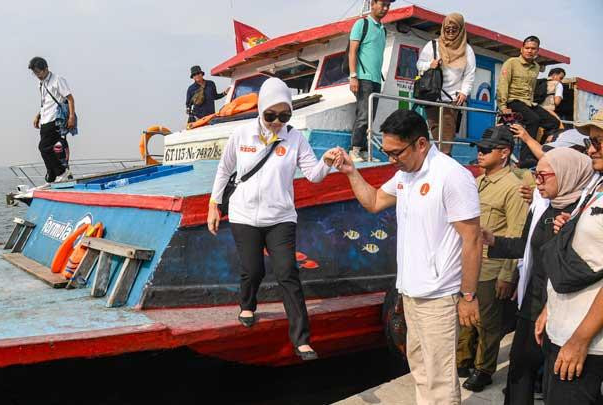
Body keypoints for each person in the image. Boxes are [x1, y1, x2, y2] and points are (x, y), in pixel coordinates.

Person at [334, 109, 482, 405]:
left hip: (439, 295)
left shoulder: (452, 176)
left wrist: (468, 296)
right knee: (419, 366)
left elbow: (473, 238)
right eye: (385, 151)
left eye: (396, 152)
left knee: (439, 376)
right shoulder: (405, 174)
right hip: (411, 291)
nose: (391, 159)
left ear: (422, 144)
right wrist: (352, 171)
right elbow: (375, 201)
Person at [207, 78, 338, 361]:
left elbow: (313, 175)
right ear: (261, 110)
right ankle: (247, 304)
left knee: (287, 272)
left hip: (280, 217)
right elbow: (223, 170)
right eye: (271, 115)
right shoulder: (241, 135)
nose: (277, 121)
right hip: (244, 215)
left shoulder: (295, 138)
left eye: (284, 115)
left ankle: (302, 340)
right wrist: (213, 204)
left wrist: (326, 161)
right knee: (253, 270)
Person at [483, 148, 595, 405]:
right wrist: (493, 241)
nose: (537, 182)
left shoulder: (582, 213)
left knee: (555, 382)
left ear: (567, 174)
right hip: (531, 302)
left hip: (562, 308)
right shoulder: (544, 206)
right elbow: (527, 246)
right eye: (536, 175)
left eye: (544, 176)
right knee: (519, 371)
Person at [537, 112, 603, 404]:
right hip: (564, 329)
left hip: (588, 344)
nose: (590, 149)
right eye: (590, 141)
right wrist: (550, 308)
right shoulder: (595, 186)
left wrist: (580, 340)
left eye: (599, 142)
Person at [457, 126, 529, 392]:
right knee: (466, 319)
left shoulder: (513, 188)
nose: (480, 153)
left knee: (488, 323)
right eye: (479, 148)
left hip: (491, 265)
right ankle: (462, 359)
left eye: (487, 149)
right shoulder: (476, 183)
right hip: (469, 264)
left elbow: (516, 232)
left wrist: (507, 275)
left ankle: (483, 369)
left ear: (505, 153)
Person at [416, 12, 476, 156]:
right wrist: (430, 64)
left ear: (461, 29)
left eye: (454, 29)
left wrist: (464, 92)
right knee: (435, 132)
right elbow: (419, 64)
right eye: (447, 28)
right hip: (432, 97)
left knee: (447, 138)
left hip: (452, 100)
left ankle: (445, 163)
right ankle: (438, 163)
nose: (450, 32)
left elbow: (469, 74)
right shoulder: (432, 45)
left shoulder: (467, 50)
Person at [497, 36, 559, 169]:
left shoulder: (536, 67)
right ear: (522, 49)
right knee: (534, 120)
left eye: (533, 49)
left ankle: (540, 151)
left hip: (528, 103)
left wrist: (537, 107)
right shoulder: (511, 62)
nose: (530, 51)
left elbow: (531, 90)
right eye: (527, 48)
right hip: (513, 101)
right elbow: (503, 84)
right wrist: (502, 106)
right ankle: (525, 159)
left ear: (537, 51)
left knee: (553, 122)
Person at [348, 0, 393, 162]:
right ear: (372, 4)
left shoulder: (383, 30)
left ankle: (365, 151)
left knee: (370, 117)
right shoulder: (362, 24)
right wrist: (353, 76)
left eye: (388, 5)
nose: (386, 8)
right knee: (363, 114)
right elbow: (352, 51)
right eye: (383, 4)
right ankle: (354, 150)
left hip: (375, 79)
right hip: (363, 78)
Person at [29, 56, 76, 183]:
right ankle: (52, 176)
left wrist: (71, 117)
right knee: (45, 148)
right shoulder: (41, 83)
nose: (37, 75)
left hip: (55, 119)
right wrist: (38, 115)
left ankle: (61, 172)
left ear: (46, 69)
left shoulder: (57, 80)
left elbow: (70, 99)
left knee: (43, 147)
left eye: (39, 72)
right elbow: (46, 102)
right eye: (35, 73)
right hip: (45, 120)